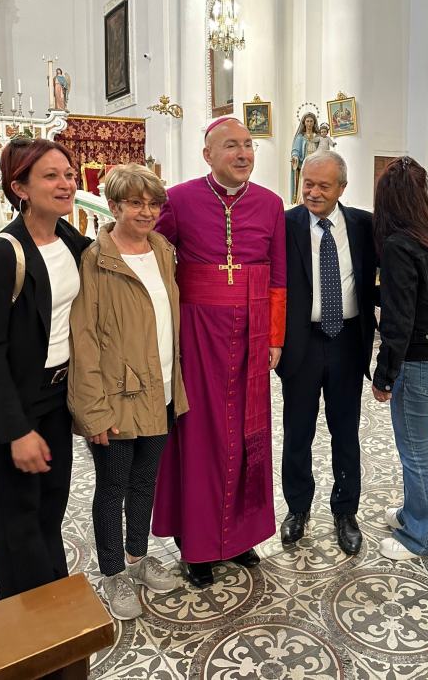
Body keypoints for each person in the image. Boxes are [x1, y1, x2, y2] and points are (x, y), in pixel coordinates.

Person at [152, 117, 286, 587]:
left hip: (251, 333)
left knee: (249, 433)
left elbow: (278, 277)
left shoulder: (271, 204)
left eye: (249, 145)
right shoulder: (179, 199)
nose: (244, 153)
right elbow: (155, 258)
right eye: (231, 146)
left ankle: (242, 536)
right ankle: (199, 544)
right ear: (207, 155)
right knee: (201, 435)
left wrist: (274, 337)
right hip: (196, 333)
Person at [0, 138, 91, 600]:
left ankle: (54, 612)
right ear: (21, 187)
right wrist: (17, 432)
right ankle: (25, 629)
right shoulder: (1, 253)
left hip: (54, 399)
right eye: (52, 176)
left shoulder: (70, 239)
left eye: (69, 174)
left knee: (50, 506)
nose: (67, 183)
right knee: (17, 521)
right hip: (7, 408)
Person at [68, 164, 188, 620]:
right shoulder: (95, 259)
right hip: (116, 400)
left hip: (159, 392)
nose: (147, 211)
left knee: (145, 483)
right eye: (135, 203)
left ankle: (137, 559)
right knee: (112, 487)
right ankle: (113, 574)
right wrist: (93, 412)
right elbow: (85, 339)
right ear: (113, 206)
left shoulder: (161, 249)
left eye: (154, 203)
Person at [277, 150, 376, 555]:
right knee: (297, 431)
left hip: (347, 343)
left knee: (345, 430)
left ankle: (345, 511)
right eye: (308, 184)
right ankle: (297, 508)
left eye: (323, 186)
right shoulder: (285, 225)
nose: (313, 193)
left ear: (342, 188)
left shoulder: (363, 225)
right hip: (301, 343)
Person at [372, 156, 428, 560]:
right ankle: (414, 513)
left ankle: (422, 536)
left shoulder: (397, 243)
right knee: (423, 444)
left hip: (419, 362)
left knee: (415, 450)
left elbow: (399, 318)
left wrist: (384, 374)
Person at [291, 112, 320, 204]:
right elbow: (295, 150)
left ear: (314, 123)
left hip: (317, 162)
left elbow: (323, 147)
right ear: (304, 123)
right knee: (306, 180)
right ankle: (303, 199)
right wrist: (295, 157)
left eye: (311, 121)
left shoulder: (318, 136)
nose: (309, 123)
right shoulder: (300, 137)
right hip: (306, 162)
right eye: (307, 121)